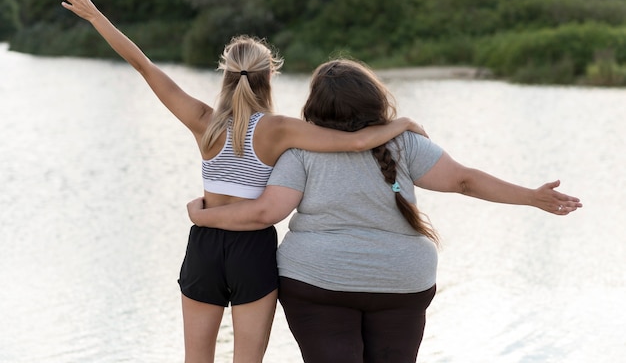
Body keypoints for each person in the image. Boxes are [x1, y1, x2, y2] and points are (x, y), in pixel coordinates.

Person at [55, 0, 427, 363]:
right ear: (270, 76)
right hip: (252, 250)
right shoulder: (279, 130)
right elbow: (353, 142)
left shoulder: (204, 122)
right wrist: (399, 125)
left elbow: (143, 66)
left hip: (204, 245)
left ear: (226, 76)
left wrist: (95, 15)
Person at [187, 58, 583, 363]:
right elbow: (464, 180)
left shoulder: (299, 149)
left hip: (319, 283)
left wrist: (203, 216)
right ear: (374, 97)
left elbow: (264, 213)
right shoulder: (405, 143)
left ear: (314, 105)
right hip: (401, 284)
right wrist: (531, 196)